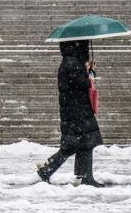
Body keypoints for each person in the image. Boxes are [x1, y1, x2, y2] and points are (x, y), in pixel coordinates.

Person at [37, 40, 104, 187]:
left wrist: (88, 71)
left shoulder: (70, 61)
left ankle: (79, 176)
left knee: (78, 144)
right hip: (77, 110)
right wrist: (90, 76)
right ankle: (84, 177)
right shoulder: (72, 62)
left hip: (75, 109)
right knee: (81, 143)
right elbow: (79, 83)